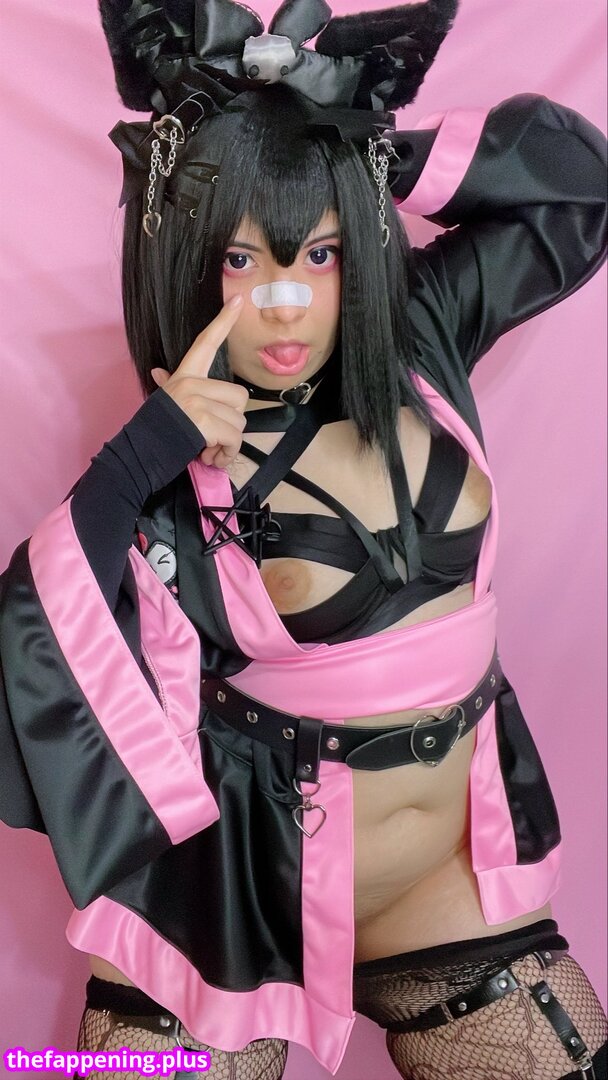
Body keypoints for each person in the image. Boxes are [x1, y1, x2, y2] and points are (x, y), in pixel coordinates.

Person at [0, 0, 606, 1077]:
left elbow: (577, 187)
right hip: (235, 910)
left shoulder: (421, 334)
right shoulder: (174, 460)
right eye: (243, 262)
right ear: (193, 259)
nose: (284, 306)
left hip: (445, 892)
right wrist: (143, 455)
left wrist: (348, 153)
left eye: (318, 254)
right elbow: (35, 635)